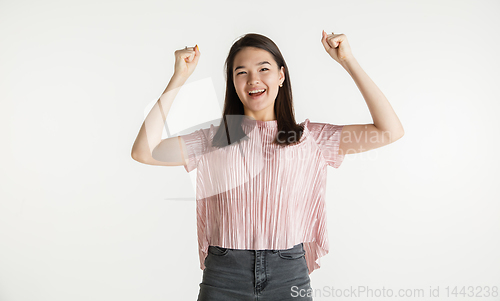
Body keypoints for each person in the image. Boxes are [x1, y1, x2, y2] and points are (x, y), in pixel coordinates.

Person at [131, 32, 404, 300]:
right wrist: (180, 77)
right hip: (225, 273)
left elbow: (389, 131)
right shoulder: (214, 139)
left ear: (281, 76)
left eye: (264, 69)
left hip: (288, 271)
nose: (254, 80)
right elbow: (145, 151)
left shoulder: (311, 138)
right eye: (242, 72)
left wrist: (348, 60)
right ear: (233, 83)